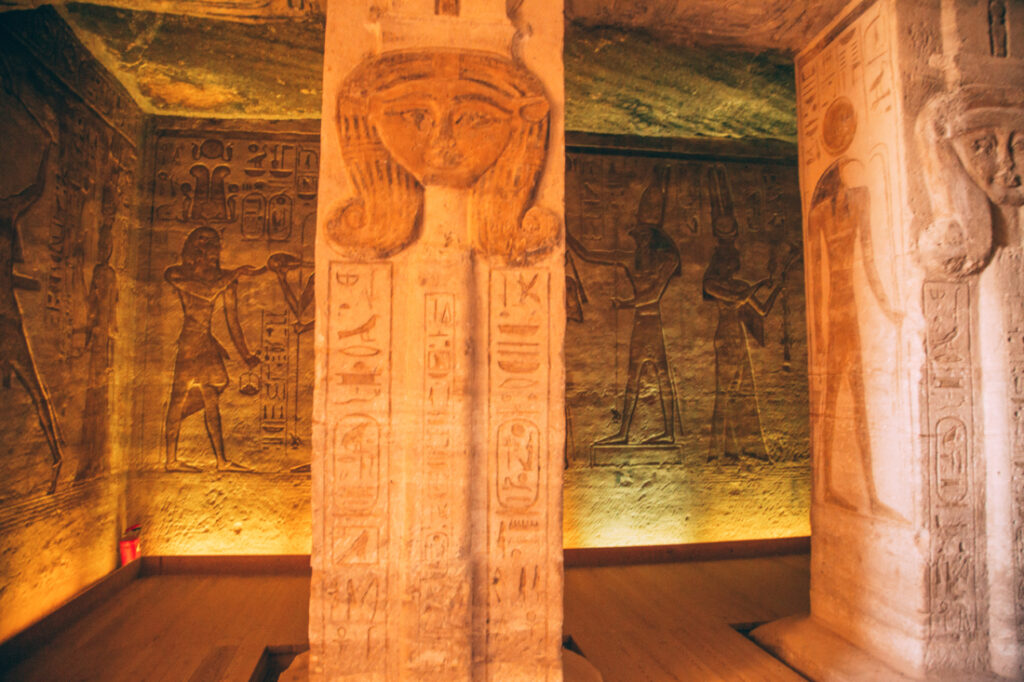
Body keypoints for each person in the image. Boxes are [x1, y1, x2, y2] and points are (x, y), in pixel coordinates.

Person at [566, 168, 681, 445]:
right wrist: (565, 234)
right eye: (637, 235)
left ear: (653, 237)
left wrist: (625, 303)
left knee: (661, 378)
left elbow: (653, 296)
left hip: (651, 321)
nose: (637, 240)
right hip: (641, 324)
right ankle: (624, 433)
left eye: (643, 236)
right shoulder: (632, 258)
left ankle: (667, 432)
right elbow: (591, 255)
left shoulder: (667, 261)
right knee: (633, 380)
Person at [163, 226, 261, 472]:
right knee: (178, 397)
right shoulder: (177, 273)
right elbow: (206, 293)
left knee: (212, 398)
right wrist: (235, 273)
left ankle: (221, 460)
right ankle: (171, 460)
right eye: (209, 242)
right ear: (196, 246)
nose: (214, 248)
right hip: (188, 343)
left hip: (206, 343)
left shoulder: (224, 280)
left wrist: (246, 354)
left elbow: (233, 322)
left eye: (216, 242)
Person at [1, 141, 63, 493]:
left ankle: (57, 456)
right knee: (35, 390)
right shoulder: (8, 211)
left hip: (8, 315)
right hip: (8, 311)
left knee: (38, 391)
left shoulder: (8, 210)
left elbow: (38, 190)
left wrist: (46, 150)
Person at [702, 239, 797, 463]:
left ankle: (737, 450)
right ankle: (718, 452)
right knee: (724, 392)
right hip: (725, 338)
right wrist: (760, 284)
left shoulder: (739, 285)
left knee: (739, 393)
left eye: (732, 263)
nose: (730, 267)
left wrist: (777, 291)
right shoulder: (712, 284)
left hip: (738, 338)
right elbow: (738, 298)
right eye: (727, 262)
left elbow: (762, 311)